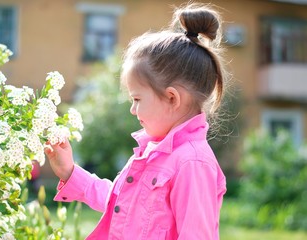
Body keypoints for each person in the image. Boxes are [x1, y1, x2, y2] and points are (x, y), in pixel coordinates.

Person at [45, 3, 228, 239]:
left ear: (172, 98)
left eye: (137, 98)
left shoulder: (192, 162)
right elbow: (121, 203)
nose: (133, 109)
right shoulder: (153, 153)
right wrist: (69, 171)